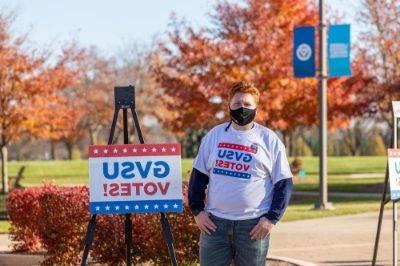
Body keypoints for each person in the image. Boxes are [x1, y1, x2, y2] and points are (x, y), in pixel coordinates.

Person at [188, 81, 293, 266]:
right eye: (237, 104)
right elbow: (198, 176)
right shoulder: (214, 136)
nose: (241, 109)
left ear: (256, 109)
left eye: (247, 105)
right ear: (229, 105)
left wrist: (271, 219)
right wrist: (197, 211)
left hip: (253, 227)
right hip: (215, 225)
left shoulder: (269, 140)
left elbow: (283, 184)